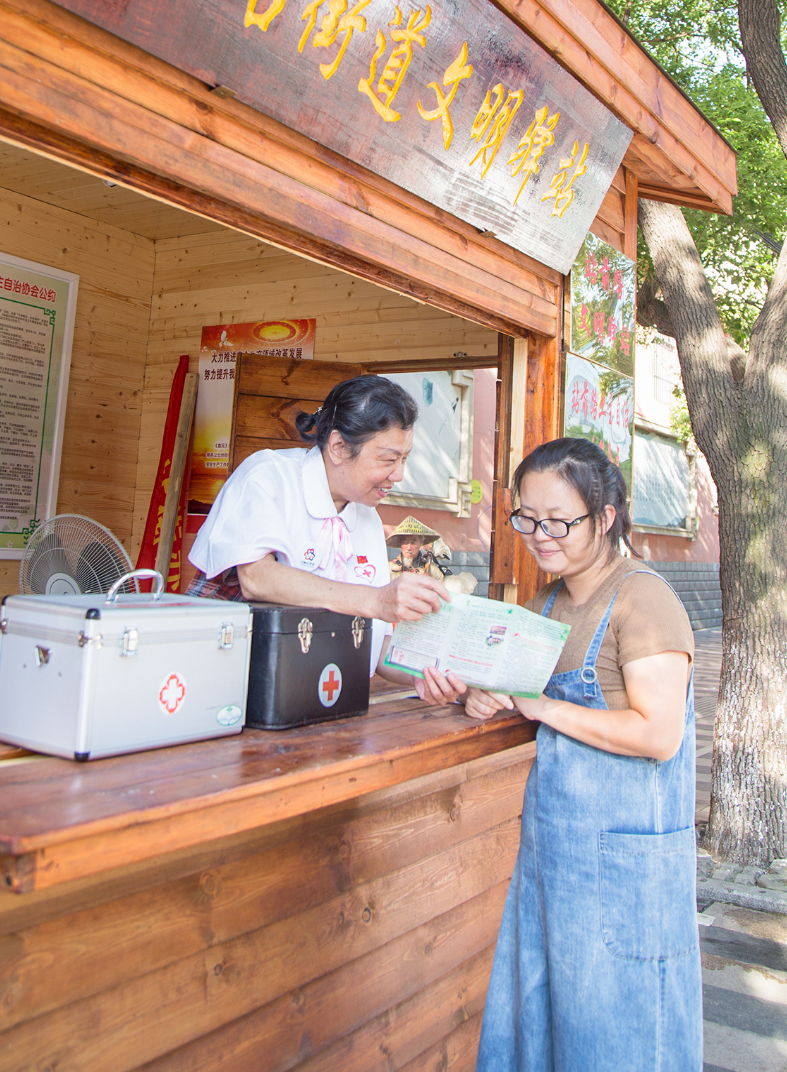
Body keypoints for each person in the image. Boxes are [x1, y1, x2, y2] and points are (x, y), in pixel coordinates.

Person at [421, 436, 700, 1071]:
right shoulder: (545, 605)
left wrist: (541, 706)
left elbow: (658, 734)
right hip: (553, 862)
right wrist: (483, 698)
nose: (540, 536)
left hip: (626, 871)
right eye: (527, 519)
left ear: (605, 518)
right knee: (545, 1035)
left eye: (559, 521)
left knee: (621, 1043)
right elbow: (513, 699)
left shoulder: (643, 600)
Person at [187, 374, 446, 674]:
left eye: (405, 459)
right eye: (389, 460)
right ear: (338, 446)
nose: (398, 475)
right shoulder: (268, 475)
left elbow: (377, 647)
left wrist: (441, 675)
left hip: (313, 687)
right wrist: (375, 600)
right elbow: (256, 578)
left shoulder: (367, 517)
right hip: (220, 676)